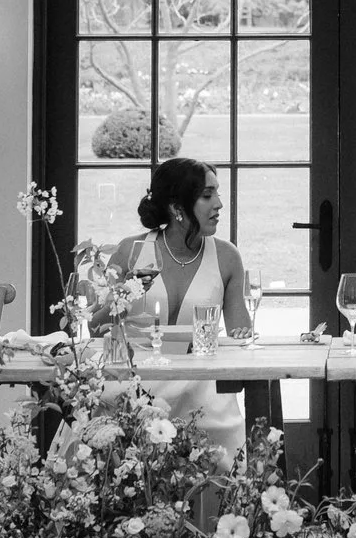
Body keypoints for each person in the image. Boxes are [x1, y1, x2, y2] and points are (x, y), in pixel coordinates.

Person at [104, 157, 252, 457]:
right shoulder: (131, 251)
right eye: (207, 195)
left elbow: (241, 335)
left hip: (198, 385)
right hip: (135, 381)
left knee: (217, 423)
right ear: (176, 207)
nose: (219, 204)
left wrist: (243, 335)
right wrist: (124, 295)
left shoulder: (226, 257)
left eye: (218, 193)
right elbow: (97, 327)